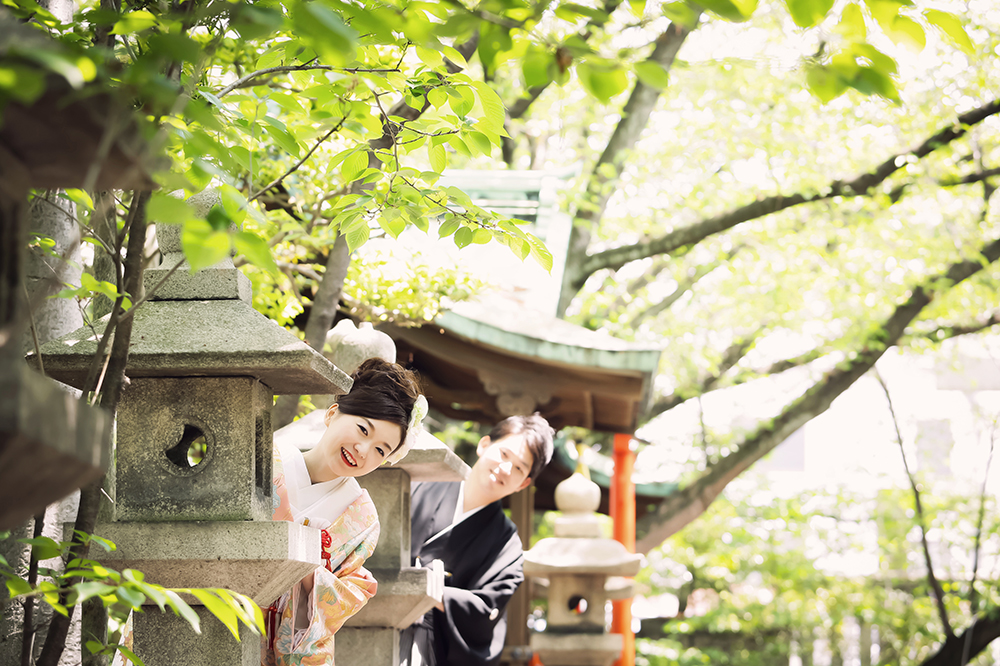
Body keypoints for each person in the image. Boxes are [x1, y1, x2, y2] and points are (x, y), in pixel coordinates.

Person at [263, 358, 427, 666]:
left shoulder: (362, 520)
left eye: (381, 450)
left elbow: (344, 596)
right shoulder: (267, 462)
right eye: (363, 429)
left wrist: (308, 571)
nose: (363, 451)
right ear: (332, 413)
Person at [400, 413, 554, 666]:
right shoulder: (419, 484)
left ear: (523, 484)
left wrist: (431, 590)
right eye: (504, 454)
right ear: (484, 445)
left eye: (519, 468)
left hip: (427, 642)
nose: (506, 468)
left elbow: (486, 609)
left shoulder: (508, 545)